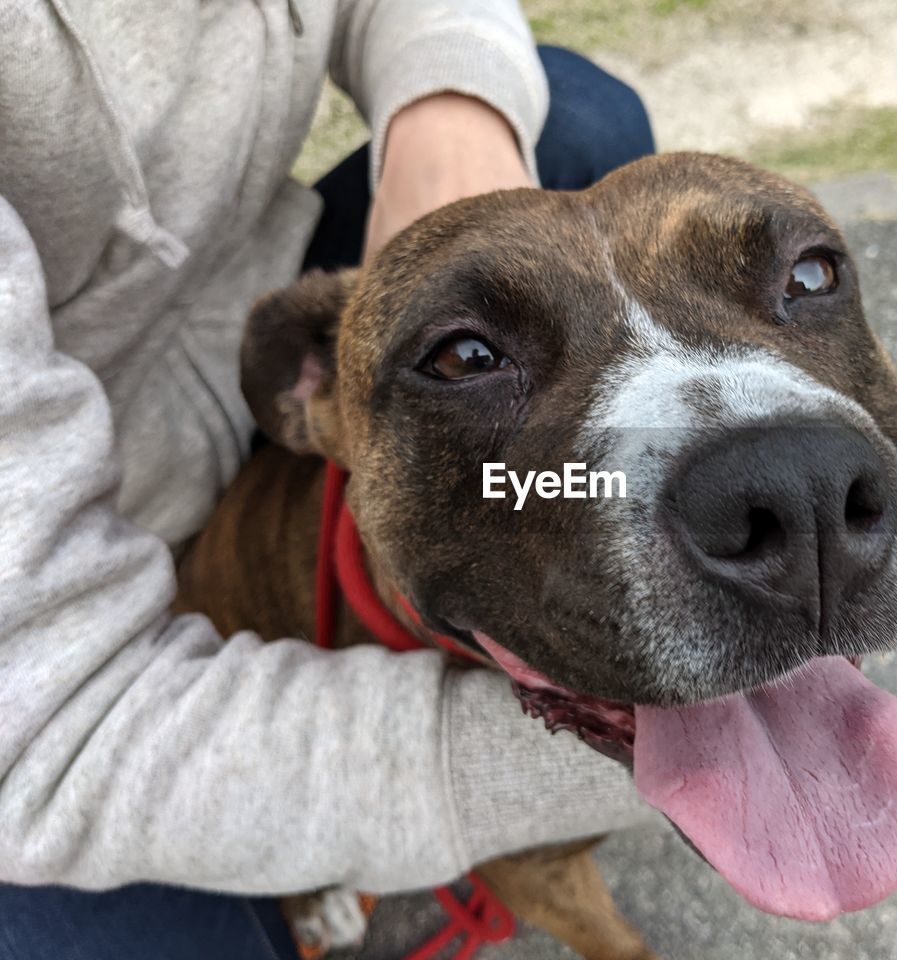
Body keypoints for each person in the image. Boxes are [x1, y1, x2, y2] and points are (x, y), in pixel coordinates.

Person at [0, 3, 659, 957]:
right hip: (38, 613)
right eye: (468, 358)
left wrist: (449, 114)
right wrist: (694, 745)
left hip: (248, 291)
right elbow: (45, 734)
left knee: (576, 120)